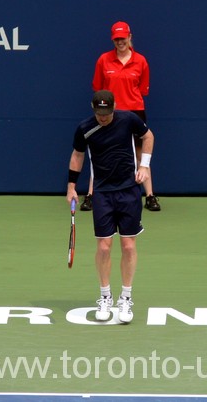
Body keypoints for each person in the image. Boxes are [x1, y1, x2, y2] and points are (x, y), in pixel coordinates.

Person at [66, 89, 155, 323]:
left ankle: (126, 298)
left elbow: (148, 137)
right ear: (92, 108)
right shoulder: (86, 128)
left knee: (127, 246)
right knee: (104, 248)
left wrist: (144, 166)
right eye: (98, 112)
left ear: (113, 107)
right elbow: (77, 156)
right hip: (103, 193)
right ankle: (105, 295)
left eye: (106, 112)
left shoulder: (128, 120)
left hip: (128, 191)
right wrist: (71, 187)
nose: (102, 117)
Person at [80, 21, 161, 212]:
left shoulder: (141, 61)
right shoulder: (103, 60)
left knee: (141, 153)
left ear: (129, 37)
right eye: (116, 39)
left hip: (134, 111)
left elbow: (142, 89)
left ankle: (149, 196)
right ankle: (91, 194)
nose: (120, 42)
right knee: (101, 152)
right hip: (109, 113)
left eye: (123, 38)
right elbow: (99, 90)